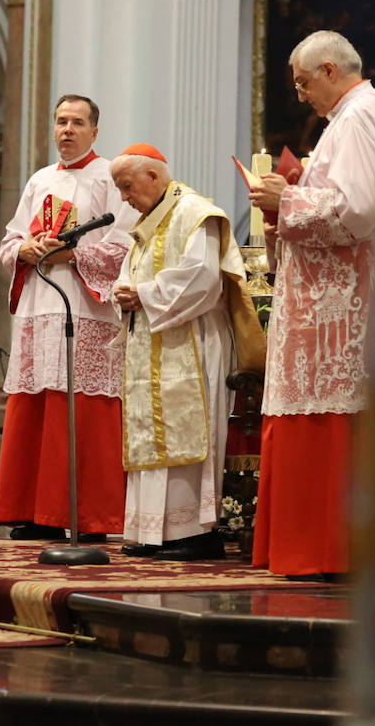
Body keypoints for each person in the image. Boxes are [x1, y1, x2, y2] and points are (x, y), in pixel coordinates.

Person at [248, 29, 375, 579]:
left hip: (336, 310)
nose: (300, 94)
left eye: (304, 81)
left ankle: (321, 551)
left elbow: (360, 210)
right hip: (334, 301)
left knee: (326, 420)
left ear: (332, 70)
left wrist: (283, 197)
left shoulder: (360, 116)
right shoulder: (366, 114)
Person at [110, 145, 266, 560]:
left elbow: (202, 277)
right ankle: (154, 533)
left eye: (127, 187)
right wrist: (125, 292)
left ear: (153, 178)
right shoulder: (148, 222)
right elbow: (131, 273)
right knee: (151, 435)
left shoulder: (196, 214)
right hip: (154, 338)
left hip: (193, 341)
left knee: (187, 434)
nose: (124, 198)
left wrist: (141, 294)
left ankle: (194, 534)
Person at [0, 94, 134, 540]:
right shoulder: (39, 180)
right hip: (40, 304)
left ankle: (87, 516)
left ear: (95, 130)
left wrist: (71, 253)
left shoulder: (109, 176)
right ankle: (35, 511)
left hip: (85, 307)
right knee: (37, 406)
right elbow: (10, 238)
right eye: (60, 122)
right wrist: (25, 250)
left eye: (76, 122)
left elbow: (126, 242)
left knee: (83, 410)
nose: (67, 130)